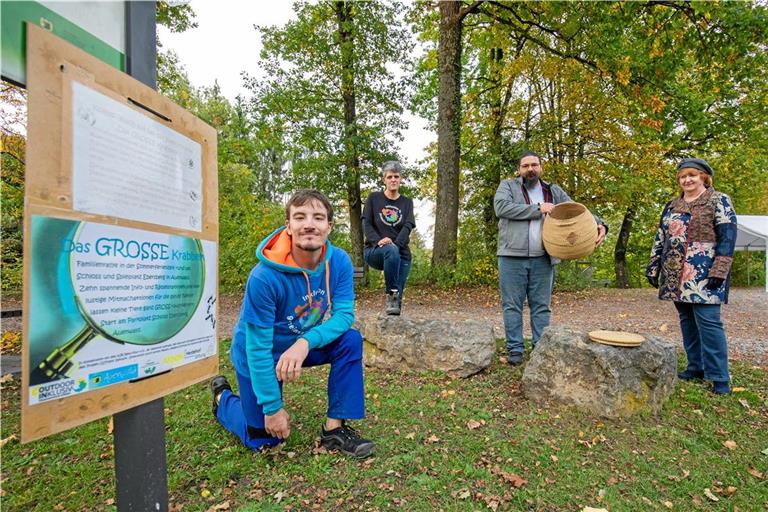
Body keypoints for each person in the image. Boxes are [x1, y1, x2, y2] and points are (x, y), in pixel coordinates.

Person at [210, 189, 374, 457]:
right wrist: (272, 408)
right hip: (259, 354)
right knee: (262, 440)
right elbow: (257, 348)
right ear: (289, 226)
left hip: (300, 348)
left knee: (350, 340)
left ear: (329, 227)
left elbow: (344, 316)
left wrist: (304, 342)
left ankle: (334, 430)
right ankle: (223, 400)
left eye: (318, 217)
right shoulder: (264, 277)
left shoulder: (340, 262)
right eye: (300, 217)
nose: (309, 224)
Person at [494, 151, 607, 365]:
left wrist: (601, 223)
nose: (530, 169)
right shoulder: (508, 187)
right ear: (519, 170)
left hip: (544, 258)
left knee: (541, 306)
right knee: (512, 305)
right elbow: (501, 208)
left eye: (534, 165)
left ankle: (540, 348)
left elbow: (578, 210)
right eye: (525, 165)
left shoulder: (552, 191)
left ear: (540, 167)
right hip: (511, 256)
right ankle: (515, 350)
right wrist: (538, 209)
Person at [646, 158, 736, 395]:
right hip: (675, 272)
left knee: (709, 323)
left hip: (704, 272)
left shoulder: (719, 200)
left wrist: (720, 269)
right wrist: (654, 266)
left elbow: (727, 237)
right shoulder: (672, 205)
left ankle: (719, 377)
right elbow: (661, 237)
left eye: (692, 175)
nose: (687, 180)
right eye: (682, 176)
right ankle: (695, 367)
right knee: (687, 320)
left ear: (704, 177)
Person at [362, 161, 416, 315]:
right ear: (384, 179)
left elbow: (408, 226)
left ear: (401, 179)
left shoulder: (407, 202)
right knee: (393, 292)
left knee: (396, 304)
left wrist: (395, 245)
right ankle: (391, 294)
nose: (393, 179)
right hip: (375, 251)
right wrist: (378, 241)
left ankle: (393, 324)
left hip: (401, 253)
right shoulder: (373, 198)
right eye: (390, 176)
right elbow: (366, 223)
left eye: (396, 176)